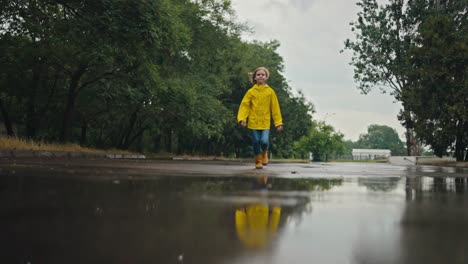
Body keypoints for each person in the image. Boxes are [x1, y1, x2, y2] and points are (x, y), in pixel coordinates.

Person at [237, 66, 283, 169]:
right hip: (253, 122)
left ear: (266, 77)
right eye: (258, 75)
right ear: (255, 78)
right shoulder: (250, 92)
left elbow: (275, 108)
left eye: (263, 74)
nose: (261, 76)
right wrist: (242, 119)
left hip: (265, 122)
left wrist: (278, 123)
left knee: (264, 141)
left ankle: (265, 153)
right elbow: (245, 106)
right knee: (256, 141)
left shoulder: (270, 92)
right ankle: (258, 160)